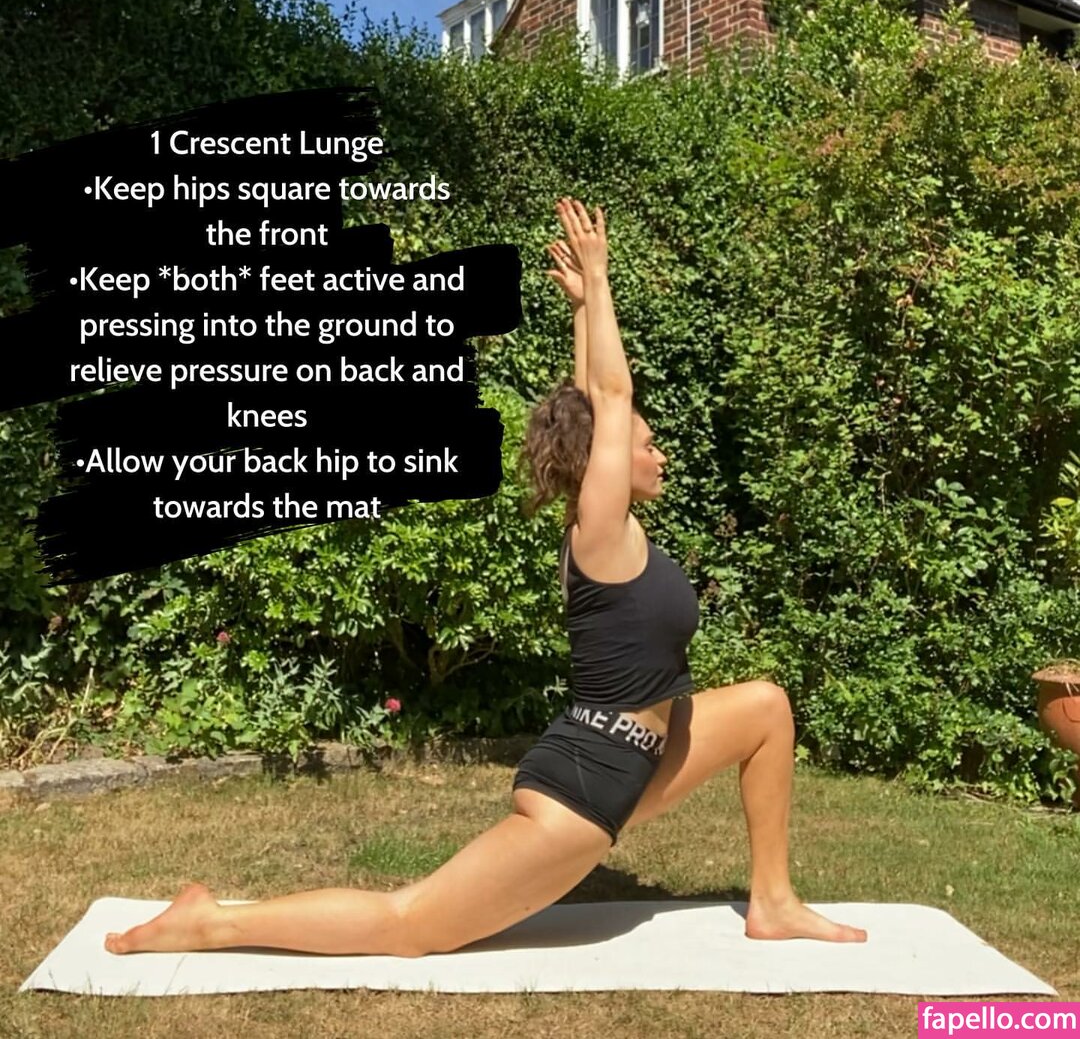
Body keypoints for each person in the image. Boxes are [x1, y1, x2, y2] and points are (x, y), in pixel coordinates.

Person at [103, 198, 867, 958]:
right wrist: (600, 276)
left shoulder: (618, 525)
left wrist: (581, 310)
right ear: (608, 460)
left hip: (641, 757)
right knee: (409, 926)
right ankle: (212, 921)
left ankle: (773, 900)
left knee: (766, 707)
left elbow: (590, 401)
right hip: (587, 784)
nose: (658, 453)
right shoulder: (600, 530)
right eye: (648, 444)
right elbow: (609, 399)